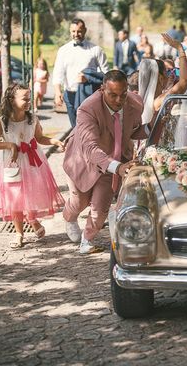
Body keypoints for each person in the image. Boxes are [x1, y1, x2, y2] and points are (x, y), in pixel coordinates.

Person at [62, 70, 148, 254]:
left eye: (123, 94)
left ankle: (87, 239)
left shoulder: (135, 103)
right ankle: (69, 217)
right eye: (113, 95)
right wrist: (119, 167)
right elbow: (91, 148)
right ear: (102, 89)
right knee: (79, 202)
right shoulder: (87, 108)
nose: (119, 100)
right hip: (83, 160)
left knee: (100, 207)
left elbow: (133, 131)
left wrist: (154, 126)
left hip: (114, 162)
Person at [0, 83, 65, 249]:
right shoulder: (3, 122)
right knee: (14, 198)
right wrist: (10, 145)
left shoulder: (32, 119)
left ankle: (33, 219)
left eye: (29, 98)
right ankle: (18, 233)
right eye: (24, 98)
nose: (28, 101)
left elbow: (39, 138)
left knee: (29, 195)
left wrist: (54, 141)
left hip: (31, 163)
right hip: (11, 164)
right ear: (11, 100)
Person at [53, 18, 109, 128]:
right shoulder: (63, 50)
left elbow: (107, 75)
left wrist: (88, 79)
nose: (76, 34)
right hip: (69, 95)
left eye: (79, 31)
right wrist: (57, 92)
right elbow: (58, 72)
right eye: (73, 31)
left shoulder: (96, 50)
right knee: (75, 128)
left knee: (88, 127)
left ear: (85, 30)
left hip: (88, 95)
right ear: (70, 31)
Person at [138, 33, 187, 125]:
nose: (170, 75)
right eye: (167, 72)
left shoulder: (141, 99)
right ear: (161, 78)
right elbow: (185, 81)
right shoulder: (158, 101)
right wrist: (180, 48)